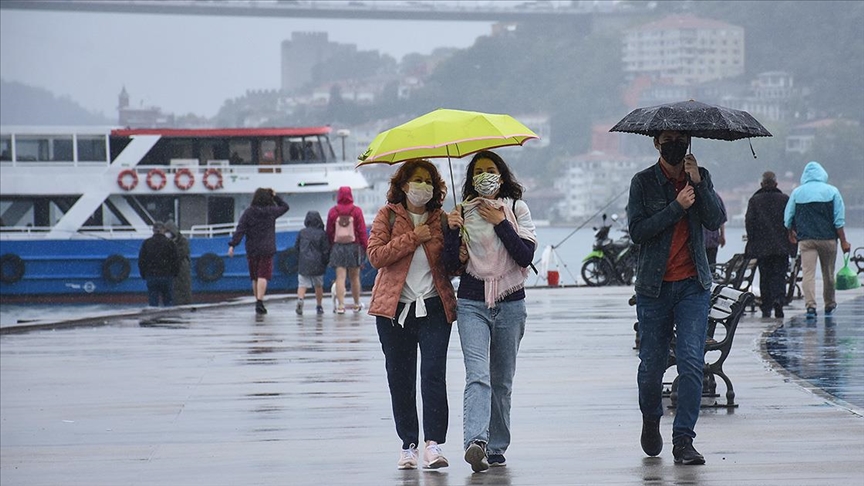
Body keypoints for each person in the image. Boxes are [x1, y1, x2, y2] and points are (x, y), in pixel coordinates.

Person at [626, 130, 726, 466]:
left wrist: (699, 184)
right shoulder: (642, 182)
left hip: (693, 286)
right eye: (668, 139)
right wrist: (676, 207)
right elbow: (638, 231)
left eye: (680, 139)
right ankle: (651, 418)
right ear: (656, 143)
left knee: (691, 363)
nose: (675, 145)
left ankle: (684, 440)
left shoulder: (700, 178)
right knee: (651, 368)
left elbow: (714, 219)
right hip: (654, 288)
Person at [442, 150, 537, 473]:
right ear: (470, 179)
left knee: (502, 381)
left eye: (491, 170)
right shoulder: (462, 212)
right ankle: (475, 442)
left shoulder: (516, 209)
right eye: (479, 171)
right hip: (471, 302)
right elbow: (452, 266)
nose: (485, 176)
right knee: (478, 376)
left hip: (511, 303)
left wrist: (501, 223)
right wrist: (452, 231)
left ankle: (496, 448)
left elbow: (525, 256)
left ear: (501, 174)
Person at [366, 159, 457, 470]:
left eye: (429, 181)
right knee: (400, 378)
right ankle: (409, 445)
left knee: (433, 375)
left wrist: (457, 235)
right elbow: (376, 256)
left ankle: (435, 444)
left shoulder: (441, 220)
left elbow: (454, 267)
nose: (424, 187)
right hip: (394, 311)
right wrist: (412, 238)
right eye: (417, 180)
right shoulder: (387, 216)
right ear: (403, 185)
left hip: (434, 307)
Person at [784, 161, 851, 319]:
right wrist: (844, 241)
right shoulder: (832, 191)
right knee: (828, 273)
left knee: (808, 273)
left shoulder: (797, 192)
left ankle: (811, 306)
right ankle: (829, 303)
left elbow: (788, 216)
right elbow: (839, 220)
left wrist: (790, 232)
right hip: (828, 239)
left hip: (806, 239)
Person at [228, 188, 290, 315]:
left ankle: (257, 300)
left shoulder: (249, 212)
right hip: (267, 248)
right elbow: (285, 207)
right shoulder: (271, 211)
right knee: (263, 275)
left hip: (252, 248)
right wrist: (275, 196)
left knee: (255, 276)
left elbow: (241, 229)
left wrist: (233, 245)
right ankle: (260, 302)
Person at [745, 172, 796, 318]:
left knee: (765, 276)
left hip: (762, 247)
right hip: (781, 246)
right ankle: (779, 299)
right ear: (776, 184)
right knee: (779, 275)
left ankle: (766, 305)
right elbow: (791, 220)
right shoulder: (784, 199)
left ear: (762, 184)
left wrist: (752, 239)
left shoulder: (755, 201)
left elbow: (749, 222)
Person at [326, 186, 368, 314]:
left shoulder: (333, 211)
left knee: (340, 277)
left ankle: (341, 306)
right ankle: (356, 304)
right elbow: (362, 231)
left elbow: (329, 231)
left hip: (338, 247)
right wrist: (365, 247)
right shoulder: (356, 211)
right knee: (355, 277)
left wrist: (331, 245)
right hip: (353, 246)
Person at [294, 210, 329, 315]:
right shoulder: (322, 234)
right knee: (318, 285)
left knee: (302, 284)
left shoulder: (302, 232)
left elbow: (296, 247)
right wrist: (325, 261)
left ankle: (300, 299)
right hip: (318, 263)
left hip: (304, 262)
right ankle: (319, 306)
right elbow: (325, 250)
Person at [138, 221, 180, 307]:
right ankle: (169, 319)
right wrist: (174, 274)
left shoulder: (147, 243)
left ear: (153, 230)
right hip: (167, 276)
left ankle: (153, 319)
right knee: (168, 301)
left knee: (153, 303)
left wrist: (144, 274)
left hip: (152, 276)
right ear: (163, 230)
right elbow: (176, 260)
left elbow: (141, 261)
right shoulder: (170, 243)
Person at [164, 220, 192, 305]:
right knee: (175, 289)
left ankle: (184, 304)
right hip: (174, 269)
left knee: (183, 288)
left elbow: (182, 252)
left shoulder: (182, 241)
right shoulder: (168, 241)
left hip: (182, 268)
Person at [703, 195, 726, 267]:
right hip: (712, 241)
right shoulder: (716, 197)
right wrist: (722, 235)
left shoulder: (694, 196)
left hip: (700, 242)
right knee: (711, 266)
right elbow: (722, 219)